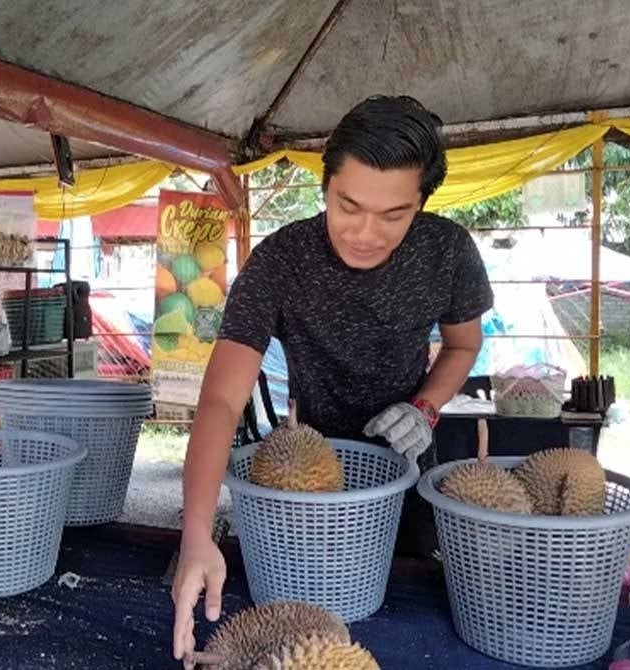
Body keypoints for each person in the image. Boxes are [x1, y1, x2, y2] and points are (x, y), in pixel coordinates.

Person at [170, 95, 495, 667]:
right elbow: (222, 398)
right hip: (303, 480)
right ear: (325, 187)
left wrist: (425, 407)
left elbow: (463, 344)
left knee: (408, 613)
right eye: (348, 205)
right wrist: (197, 531)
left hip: (404, 470)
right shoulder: (280, 262)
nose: (366, 232)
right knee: (307, 625)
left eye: (393, 215)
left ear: (421, 201)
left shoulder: (447, 252)